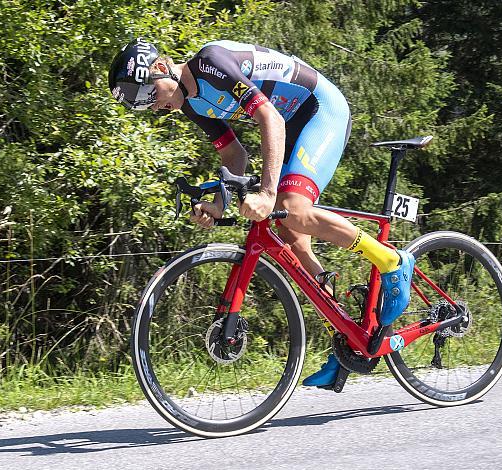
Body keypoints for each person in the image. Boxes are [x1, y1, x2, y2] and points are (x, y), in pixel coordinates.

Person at [108, 38, 415, 388]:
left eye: (147, 94)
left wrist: (268, 194)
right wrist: (218, 205)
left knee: (291, 208)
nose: (152, 106)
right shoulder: (192, 105)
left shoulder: (210, 63)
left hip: (320, 110)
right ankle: (350, 338)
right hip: (292, 123)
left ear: (162, 68)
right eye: (140, 105)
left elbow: (269, 117)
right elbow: (234, 157)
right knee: (293, 240)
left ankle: (390, 260)